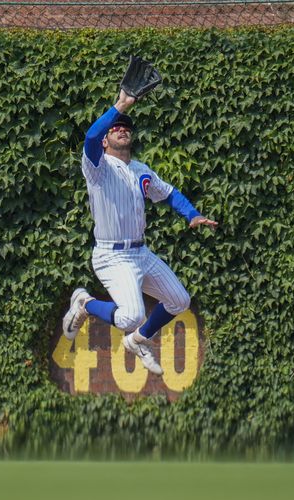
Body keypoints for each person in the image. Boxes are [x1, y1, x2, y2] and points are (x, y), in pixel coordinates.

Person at [62, 88, 218, 375]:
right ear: (106, 140)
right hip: (111, 256)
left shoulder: (140, 169)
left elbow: (168, 193)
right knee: (131, 316)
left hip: (140, 252)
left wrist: (192, 214)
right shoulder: (97, 167)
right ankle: (85, 303)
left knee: (179, 300)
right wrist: (119, 106)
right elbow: (90, 138)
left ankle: (137, 340)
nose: (121, 129)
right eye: (115, 128)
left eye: (126, 127)